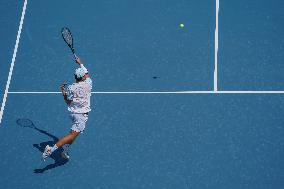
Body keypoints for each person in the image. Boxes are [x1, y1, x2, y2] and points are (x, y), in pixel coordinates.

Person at [42, 57, 92, 160]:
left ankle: (65, 150)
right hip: (81, 116)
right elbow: (87, 75)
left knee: (74, 134)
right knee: (72, 135)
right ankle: (51, 150)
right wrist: (80, 63)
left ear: (75, 77)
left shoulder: (71, 88)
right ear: (82, 77)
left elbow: (68, 102)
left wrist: (63, 92)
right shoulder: (88, 84)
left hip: (73, 113)